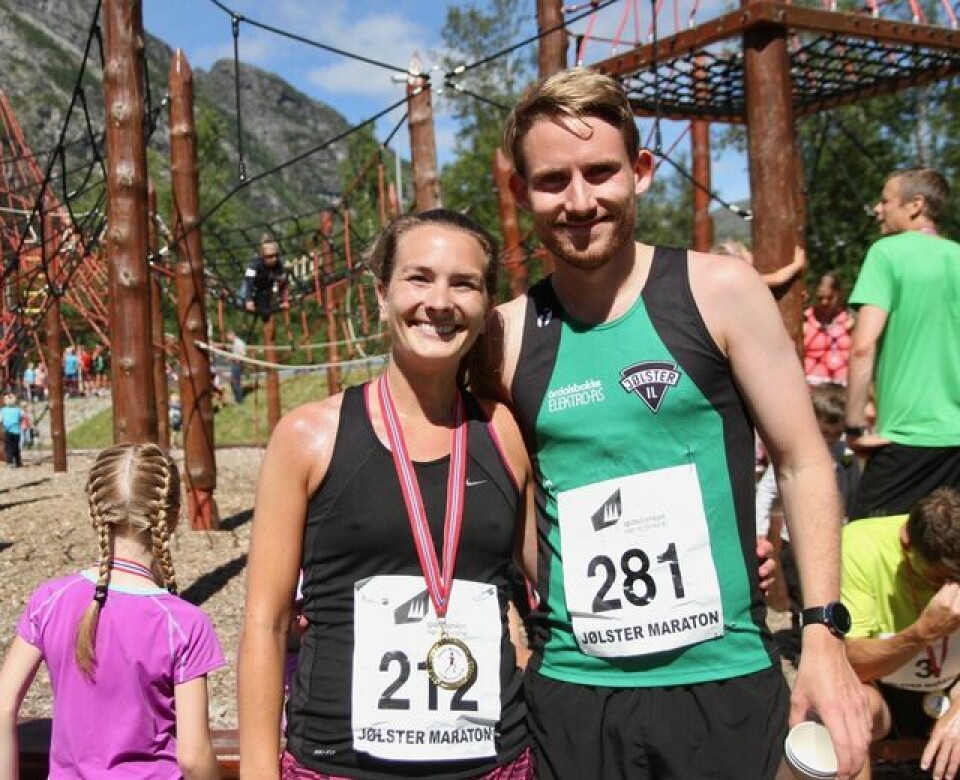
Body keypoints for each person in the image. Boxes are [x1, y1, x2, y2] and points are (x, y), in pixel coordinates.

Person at [476, 67, 871, 779]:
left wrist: (821, 635)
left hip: (725, 677)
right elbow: (493, 503)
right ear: (519, 191)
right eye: (552, 180)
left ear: (642, 171)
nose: (580, 200)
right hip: (575, 690)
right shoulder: (503, 339)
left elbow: (804, 460)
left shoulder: (719, 292)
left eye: (601, 172)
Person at [238, 209, 536, 780]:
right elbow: (265, 623)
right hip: (340, 764)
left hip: (491, 763)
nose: (440, 300)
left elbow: (554, 581)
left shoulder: (503, 431)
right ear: (381, 295)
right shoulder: (307, 437)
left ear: (485, 306)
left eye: (464, 283)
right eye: (418, 278)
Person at [0, 442, 225, 778]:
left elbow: (3, 708)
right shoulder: (182, 623)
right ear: (173, 517)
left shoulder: (49, 600)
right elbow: (193, 757)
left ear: (95, 513)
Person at [846, 168, 960, 520]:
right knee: (943, 558)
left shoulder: (886, 253)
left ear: (915, 205)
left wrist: (853, 428)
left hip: (904, 437)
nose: (877, 210)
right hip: (955, 440)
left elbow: (863, 345)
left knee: (861, 547)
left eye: (884, 201)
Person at [841, 487, 960, 779]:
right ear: (907, 542)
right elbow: (850, 664)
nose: (951, 588)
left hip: (954, 686)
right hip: (882, 690)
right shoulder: (860, 544)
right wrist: (921, 634)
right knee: (848, 708)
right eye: (939, 579)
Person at [756, 382, 861, 665]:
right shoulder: (797, 450)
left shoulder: (845, 456)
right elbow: (767, 490)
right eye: (824, 432)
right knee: (800, 592)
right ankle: (804, 643)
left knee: (830, 590)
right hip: (798, 538)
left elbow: (851, 488)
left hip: (837, 536)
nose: (828, 439)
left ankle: (826, 640)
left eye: (834, 434)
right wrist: (759, 528)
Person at [803, 271, 854, 385]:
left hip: (843, 385)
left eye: (829, 298)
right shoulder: (805, 321)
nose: (824, 302)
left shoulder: (851, 321)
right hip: (812, 384)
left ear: (839, 294)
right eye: (820, 298)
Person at [242, 236, 289, 320]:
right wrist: (248, 300)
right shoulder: (254, 264)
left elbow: (283, 282)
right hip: (251, 286)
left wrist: (284, 300)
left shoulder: (278, 265)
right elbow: (248, 281)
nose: (274, 259)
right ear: (262, 256)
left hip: (264, 290)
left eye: (276, 255)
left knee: (266, 313)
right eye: (270, 256)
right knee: (240, 302)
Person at [1, 393, 22, 468]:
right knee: (16, 447)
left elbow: (0, 420)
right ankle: (18, 462)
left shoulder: (3, 410)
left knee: (9, 447)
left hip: (8, 431)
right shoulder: (18, 409)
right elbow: (20, 418)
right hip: (17, 431)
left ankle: (10, 462)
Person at [227, 330, 246, 404]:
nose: (228, 339)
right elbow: (236, 353)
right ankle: (237, 398)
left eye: (228, 337)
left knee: (236, 382)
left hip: (237, 364)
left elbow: (242, 354)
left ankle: (240, 400)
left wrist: (233, 358)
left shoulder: (238, 343)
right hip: (235, 364)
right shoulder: (235, 343)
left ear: (232, 335)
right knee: (234, 382)